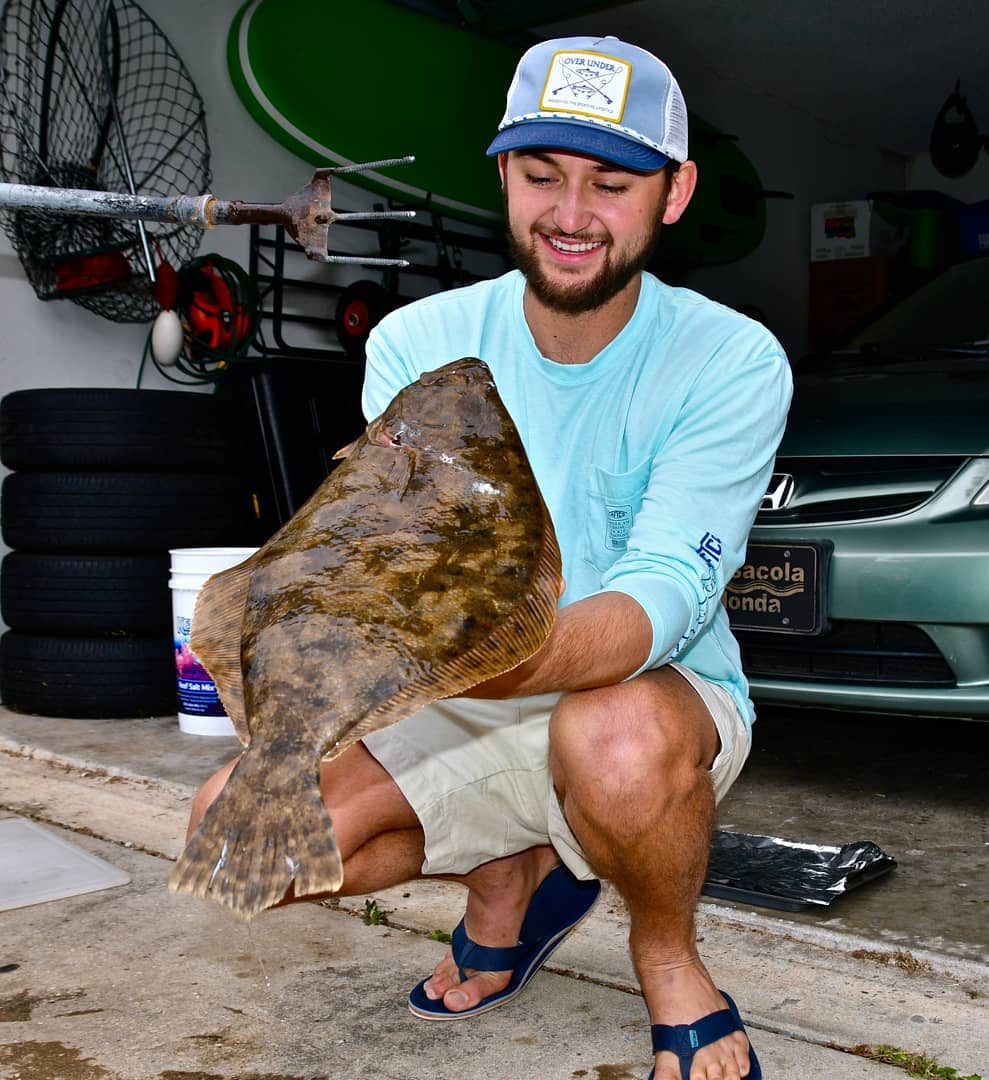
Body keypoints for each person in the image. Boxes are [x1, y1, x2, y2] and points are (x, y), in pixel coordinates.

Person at [189, 34, 790, 1080]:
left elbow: (668, 591)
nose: (569, 213)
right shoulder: (420, 342)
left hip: (646, 682)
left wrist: (501, 654)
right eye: (541, 175)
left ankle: (665, 952)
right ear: (502, 174)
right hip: (459, 685)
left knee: (615, 733)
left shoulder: (732, 358)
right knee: (238, 829)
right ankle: (508, 874)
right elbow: (384, 558)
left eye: (612, 182)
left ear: (676, 192)